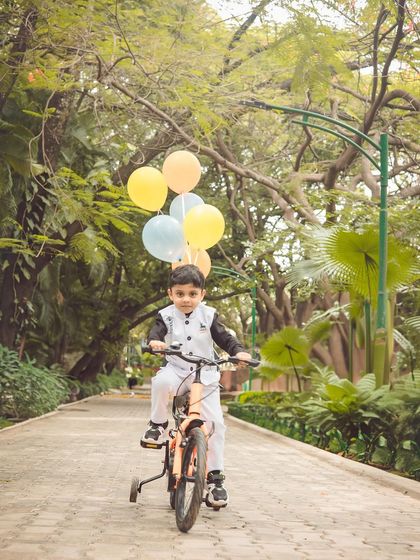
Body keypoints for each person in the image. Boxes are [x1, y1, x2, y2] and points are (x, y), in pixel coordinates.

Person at [141, 264, 252, 507]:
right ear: (170, 293)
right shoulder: (166, 315)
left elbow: (226, 339)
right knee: (160, 382)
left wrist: (239, 352)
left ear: (202, 294)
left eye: (192, 294)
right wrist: (154, 342)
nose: (186, 299)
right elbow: (155, 333)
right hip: (176, 370)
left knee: (216, 425)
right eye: (180, 294)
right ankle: (157, 425)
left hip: (206, 374)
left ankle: (215, 480)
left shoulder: (209, 315)